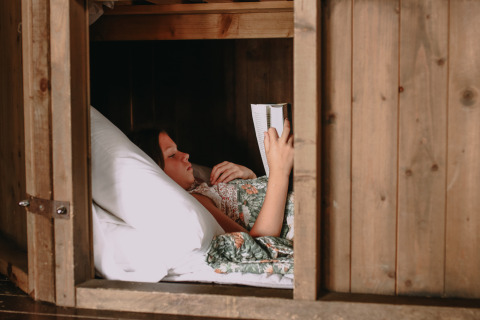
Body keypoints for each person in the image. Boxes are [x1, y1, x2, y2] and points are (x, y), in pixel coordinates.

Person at [130, 120, 294, 238]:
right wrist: (279, 172)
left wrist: (250, 177)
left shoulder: (201, 186)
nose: (185, 155)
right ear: (154, 172)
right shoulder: (195, 202)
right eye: (172, 155)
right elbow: (256, 243)